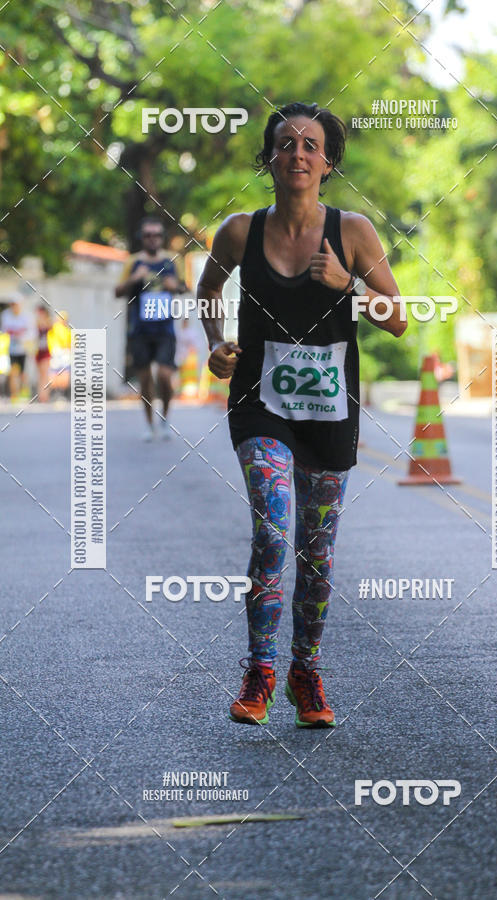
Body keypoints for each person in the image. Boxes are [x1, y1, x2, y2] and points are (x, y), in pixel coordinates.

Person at [198, 101, 407, 728]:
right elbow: (209, 289)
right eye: (286, 144)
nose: (298, 154)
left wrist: (349, 285)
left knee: (317, 555)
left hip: (329, 411)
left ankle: (305, 671)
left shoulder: (354, 232)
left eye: (311, 145)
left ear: (328, 163)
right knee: (273, 532)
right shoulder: (241, 230)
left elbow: (397, 318)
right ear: (270, 158)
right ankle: (260, 671)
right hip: (261, 407)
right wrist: (215, 342)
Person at [115, 216, 186, 440]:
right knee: (145, 379)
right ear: (142, 238)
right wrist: (134, 279)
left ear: (161, 237)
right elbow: (117, 291)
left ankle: (165, 418)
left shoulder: (172, 261)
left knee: (165, 376)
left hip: (165, 328)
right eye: (148, 235)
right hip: (140, 329)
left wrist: (175, 286)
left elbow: (186, 287)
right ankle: (149, 424)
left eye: (156, 235)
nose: (153, 239)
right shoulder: (133, 262)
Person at [1, 299, 31, 402]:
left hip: (23, 350)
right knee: (14, 373)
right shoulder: (7, 316)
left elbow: (28, 331)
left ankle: (24, 393)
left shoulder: (25, 316)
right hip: (12, 350)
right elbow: (6, 330)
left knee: (23, 373)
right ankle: (15, 395)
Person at [35, 305, 53, 403]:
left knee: (45, 374)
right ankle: (40, 395)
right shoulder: (35, 323)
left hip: (46, 351)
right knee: (40, 375)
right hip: (38, 351)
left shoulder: (49, 322)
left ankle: (45, 396)